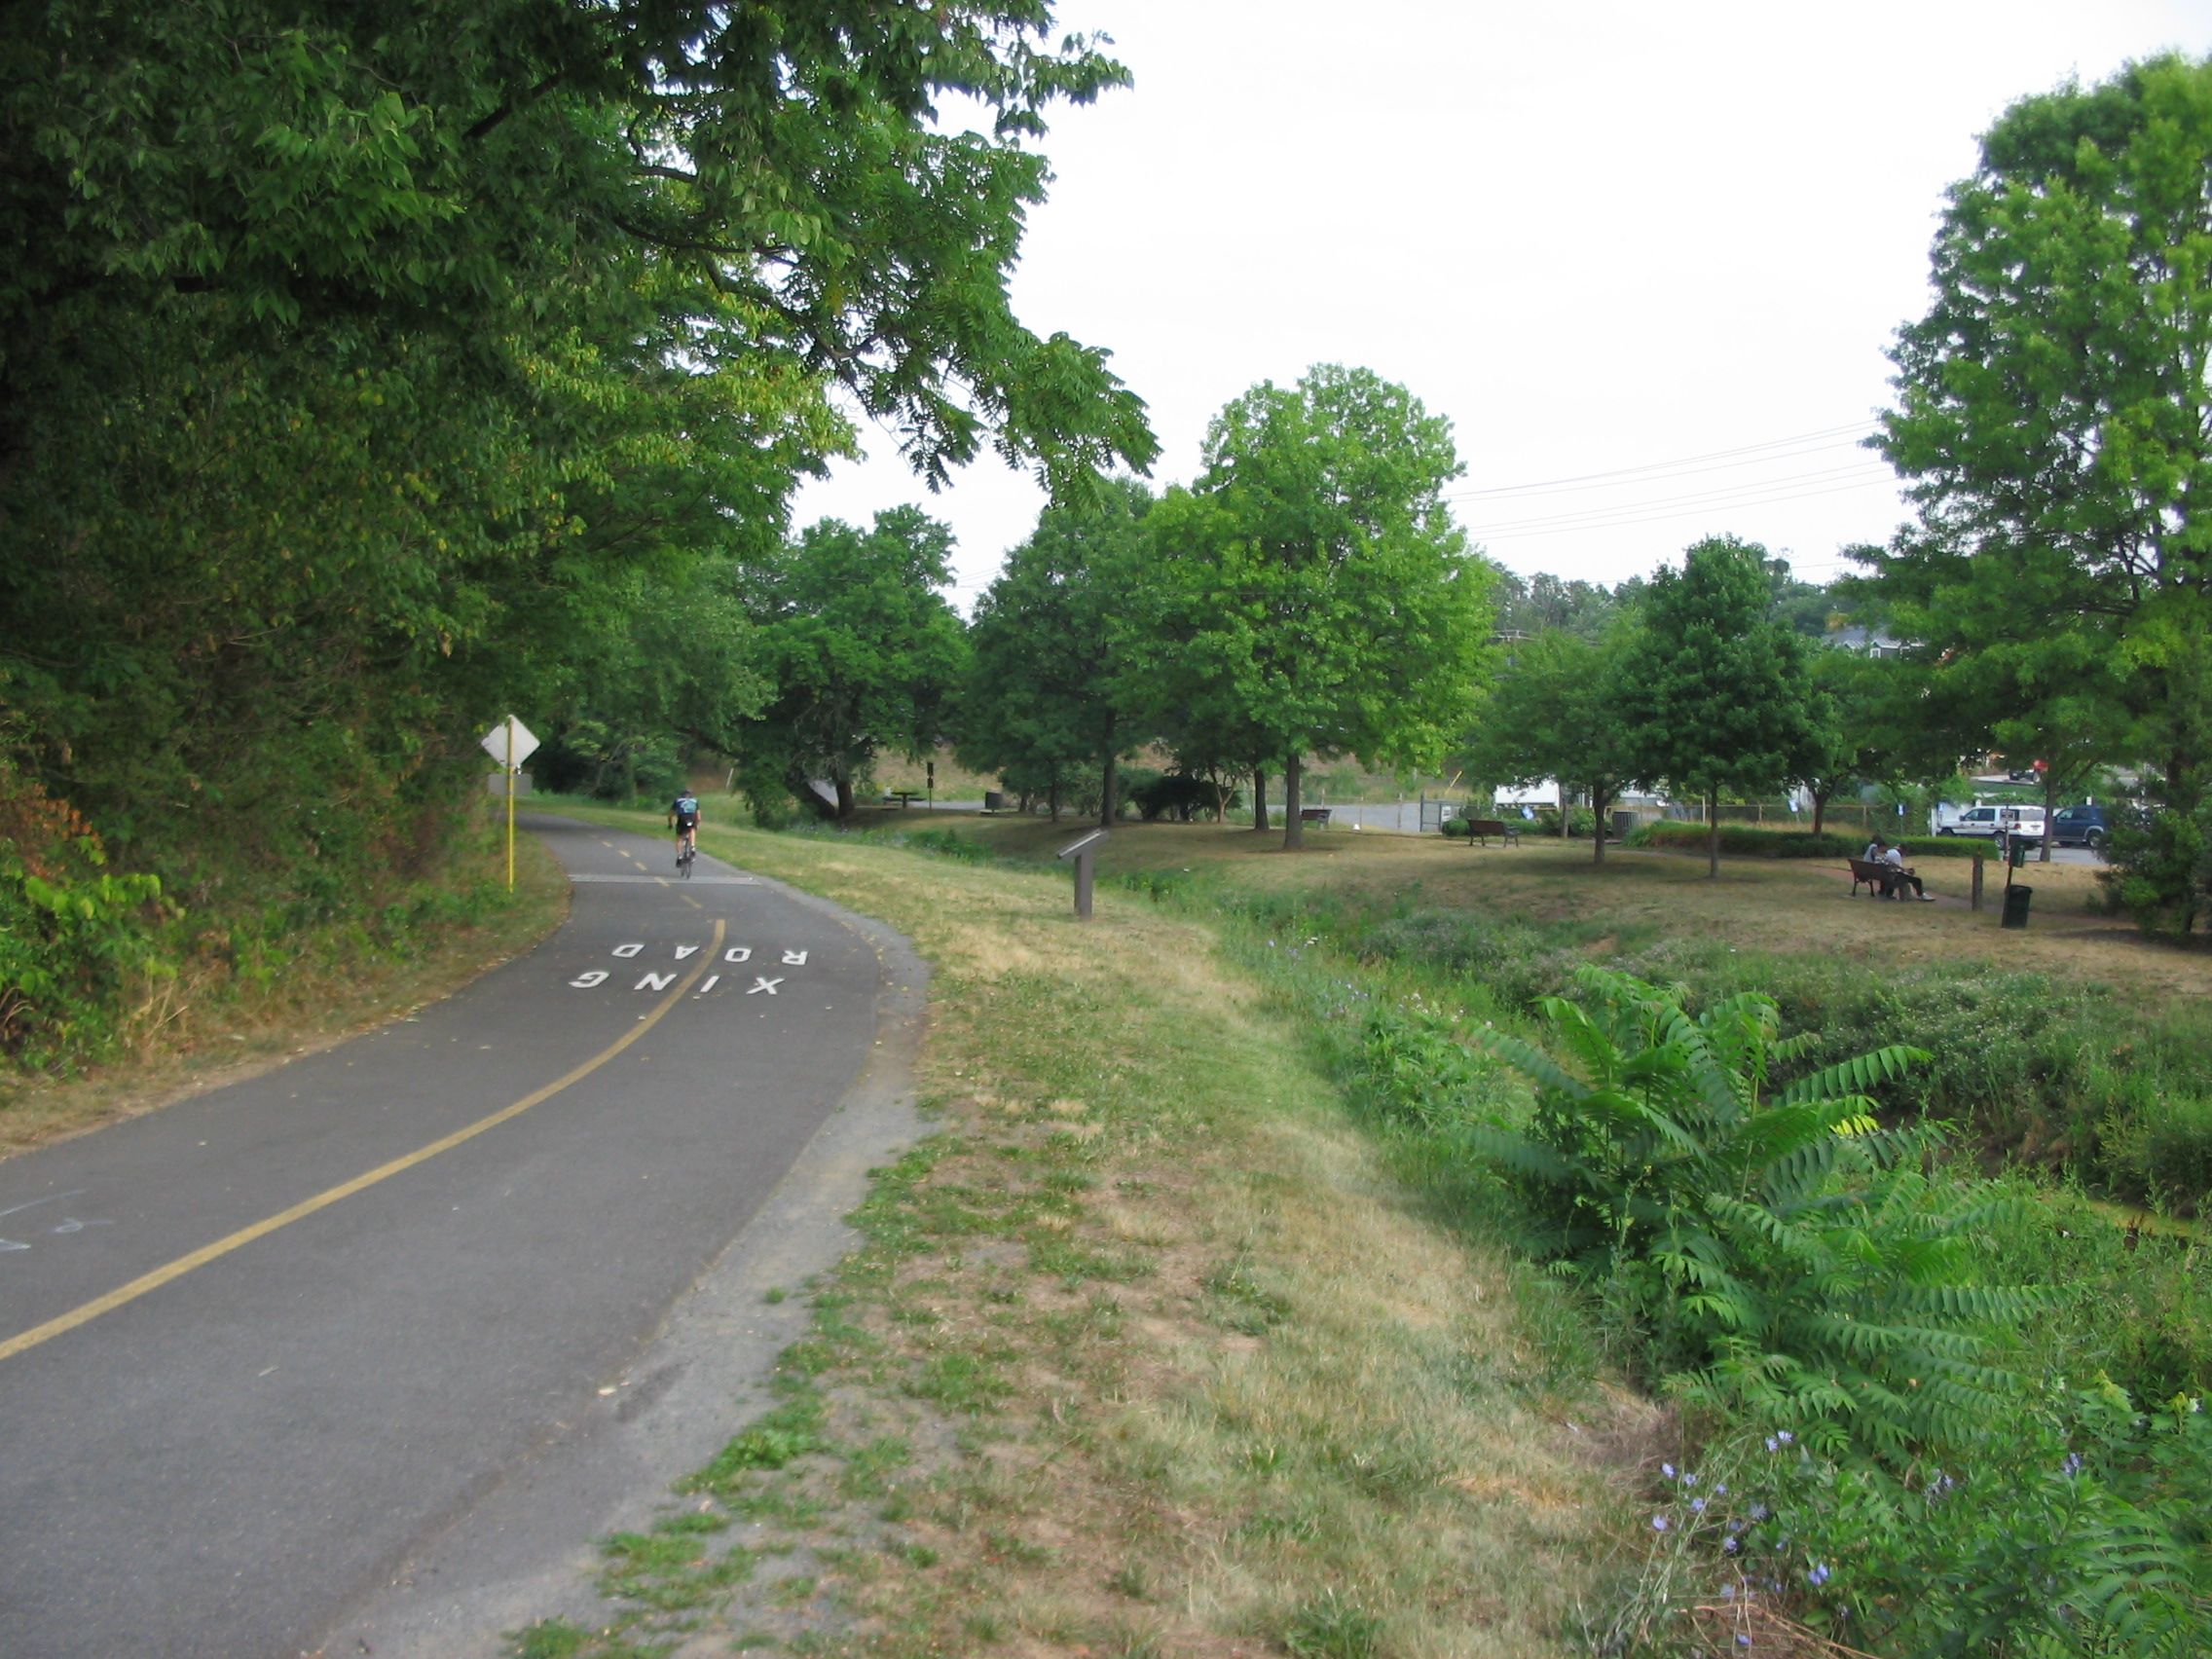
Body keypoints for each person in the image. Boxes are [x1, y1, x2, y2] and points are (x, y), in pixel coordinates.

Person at [670, 789, 701, 865]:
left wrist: (670, 823)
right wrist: (697, 824)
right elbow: (699, 816)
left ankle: (680, 857)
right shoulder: (695, 801)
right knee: (692, 829)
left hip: (682, 819)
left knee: (679, 838)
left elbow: (671, 814)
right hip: (692, 818)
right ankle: (692, 847)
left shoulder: (678, 800)